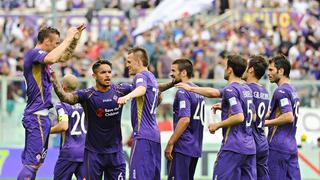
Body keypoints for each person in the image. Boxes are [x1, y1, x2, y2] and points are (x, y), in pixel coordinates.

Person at [18, 25, 85, 180]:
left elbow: (64, 56)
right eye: (56, 43)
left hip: (40, 117)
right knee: (32, 164)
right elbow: (54, 57)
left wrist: (74, 41)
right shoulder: (35, 54)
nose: (58, 46)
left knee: (36, 163)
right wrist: (68, 37)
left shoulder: (42, 60)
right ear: (47, 41)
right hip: (36, 117)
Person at [176, 55, 257, 179]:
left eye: (225, 66)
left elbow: (239, 116)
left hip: (233, 146)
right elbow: (254, 116)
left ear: (230, 69)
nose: (224, 69)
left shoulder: (231, 89)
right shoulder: (246, 88)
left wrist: (217, 125)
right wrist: (224, 106)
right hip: (249, 148)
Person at [51, 60, 131, 180]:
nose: (108, 75)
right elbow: (66, 98)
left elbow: (146, 88)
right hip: (93, 154)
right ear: (94, 76)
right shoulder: (87, 95)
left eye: (109, 72)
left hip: (115, 153)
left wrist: (166, 84)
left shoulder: (121, 90)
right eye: (103, 72)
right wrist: (55, 82)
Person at [118, 47, 174, 180]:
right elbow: (154, 91)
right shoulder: (152, 78)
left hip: (142, 135)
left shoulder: (140, 76)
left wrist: (127, 97)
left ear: (138, 62)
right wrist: (172, 83)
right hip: (155, 136)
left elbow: (142, 89)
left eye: (129, 62)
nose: (127, 65)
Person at [164, 59, 205, 180]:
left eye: (173, 70)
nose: (171, 74)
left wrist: (171, 142)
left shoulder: (182, 91)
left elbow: (185, 119)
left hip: (183, 146)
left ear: (183, 73)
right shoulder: (198, 91)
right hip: (195, 147)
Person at [265, 55, 301, 180]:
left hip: (277, 146)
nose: (268, 73)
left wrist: (265, 123)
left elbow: (288, 116)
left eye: (271, 70)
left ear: (280, 71)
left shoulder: (281, 92)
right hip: (291, 145)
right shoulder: (292, 90)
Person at [50, 74, 86, 180]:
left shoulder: (62, 104)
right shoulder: (84, 103)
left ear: (63, 87)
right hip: (85, 152)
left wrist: (46, 131)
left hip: (69, 153)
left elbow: (64, 126)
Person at [242, 55, 270, 180]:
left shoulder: (245, 89)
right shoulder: (265, 91)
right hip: (262, 141)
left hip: (249, 141)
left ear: (251, 70)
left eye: (246, 66)